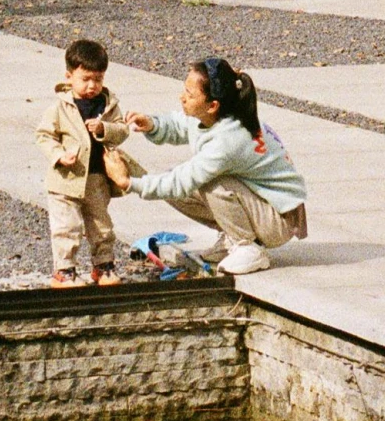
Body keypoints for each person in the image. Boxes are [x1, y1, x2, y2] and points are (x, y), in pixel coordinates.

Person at [106, 56, 307, 276]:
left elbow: (183, 179)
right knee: (179, 187)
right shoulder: (217, 114)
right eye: (184, 90)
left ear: (212, 105)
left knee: (211, 182)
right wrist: (153, 124)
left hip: (280, 220)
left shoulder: (229, 140)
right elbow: (181, 125)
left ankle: (247, 246)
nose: (182, 97)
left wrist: (128, 183)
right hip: (264, 206)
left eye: (190, 95)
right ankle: (233, 235)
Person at [35, 36, 131, 288]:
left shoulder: (109, 105)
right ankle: (64, 270)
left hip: (96, 177)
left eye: (98, 79)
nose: (92, 86)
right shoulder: (61, 107)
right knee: (67, 226)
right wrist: (58, 155)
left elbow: (122, 131)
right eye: (85, 79)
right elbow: (44, 135)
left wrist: (105, 129)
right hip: (66, 180)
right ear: (69, 76)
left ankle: (104, 266)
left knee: (101, 225)